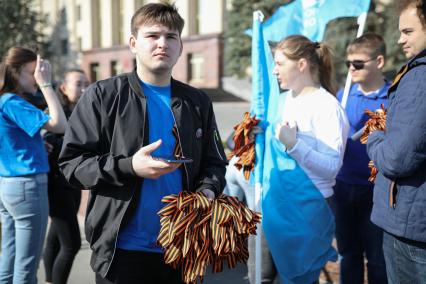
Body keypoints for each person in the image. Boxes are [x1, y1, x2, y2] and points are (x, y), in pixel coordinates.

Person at [58, 3, 227, 284]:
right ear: (133, 43)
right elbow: (71, 165)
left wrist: (207, 192)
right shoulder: (103, 95)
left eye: (171, 37)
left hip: (181, 248)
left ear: (180, 45)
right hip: (122, 251)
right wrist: (129, 166)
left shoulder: (197, 102)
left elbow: (215, 162)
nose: (163, 44)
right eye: (153, 36)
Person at [261, 35, 349, 283]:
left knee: (299, 279)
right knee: (263, 275)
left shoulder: (327, 107)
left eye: (280, 64)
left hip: (308, 208)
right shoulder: (281, 100)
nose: (275, 70)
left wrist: (294, 145)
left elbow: (332, 168)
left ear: (301, 65)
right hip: (275, 203)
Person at [366, 0, 426, 282]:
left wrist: (375, 138)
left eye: (408, 31)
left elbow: (397, 158)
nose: (400, 39)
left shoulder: (420, 77)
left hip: (411, 229)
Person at [0, 47, 67, 284]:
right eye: (32, 73)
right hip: (27, 186)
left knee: (9, 259)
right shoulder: (13, 102)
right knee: (26, 267)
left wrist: (36, 143)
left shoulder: (3, 101)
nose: (37, 79)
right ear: (15, 73)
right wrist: (47, 85)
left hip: (8, 185)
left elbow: (10, 140)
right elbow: (60, 125)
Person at [331, 33, 389, 284]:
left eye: (358, 63)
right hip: (343, 187)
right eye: (348, 64)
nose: (352, 69)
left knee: (377, 259)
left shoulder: (392, 97)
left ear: (379, 61)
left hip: (376, 190)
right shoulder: (344, 96)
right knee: (348, 254)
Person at [43, 69, 89, 284]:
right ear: (63, 88)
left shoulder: (81, 111)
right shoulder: (55, 112)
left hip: (73, 183)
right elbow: (49, 144)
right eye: (78, 84)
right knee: (71, 244)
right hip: (55, 184)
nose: (84, 89)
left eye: (86, 84)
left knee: (55, 237)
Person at [224, 156, 279, 284]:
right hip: (251, 165)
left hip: (237, 161)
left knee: (235, 217)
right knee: (258, 220)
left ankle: (230, 250)